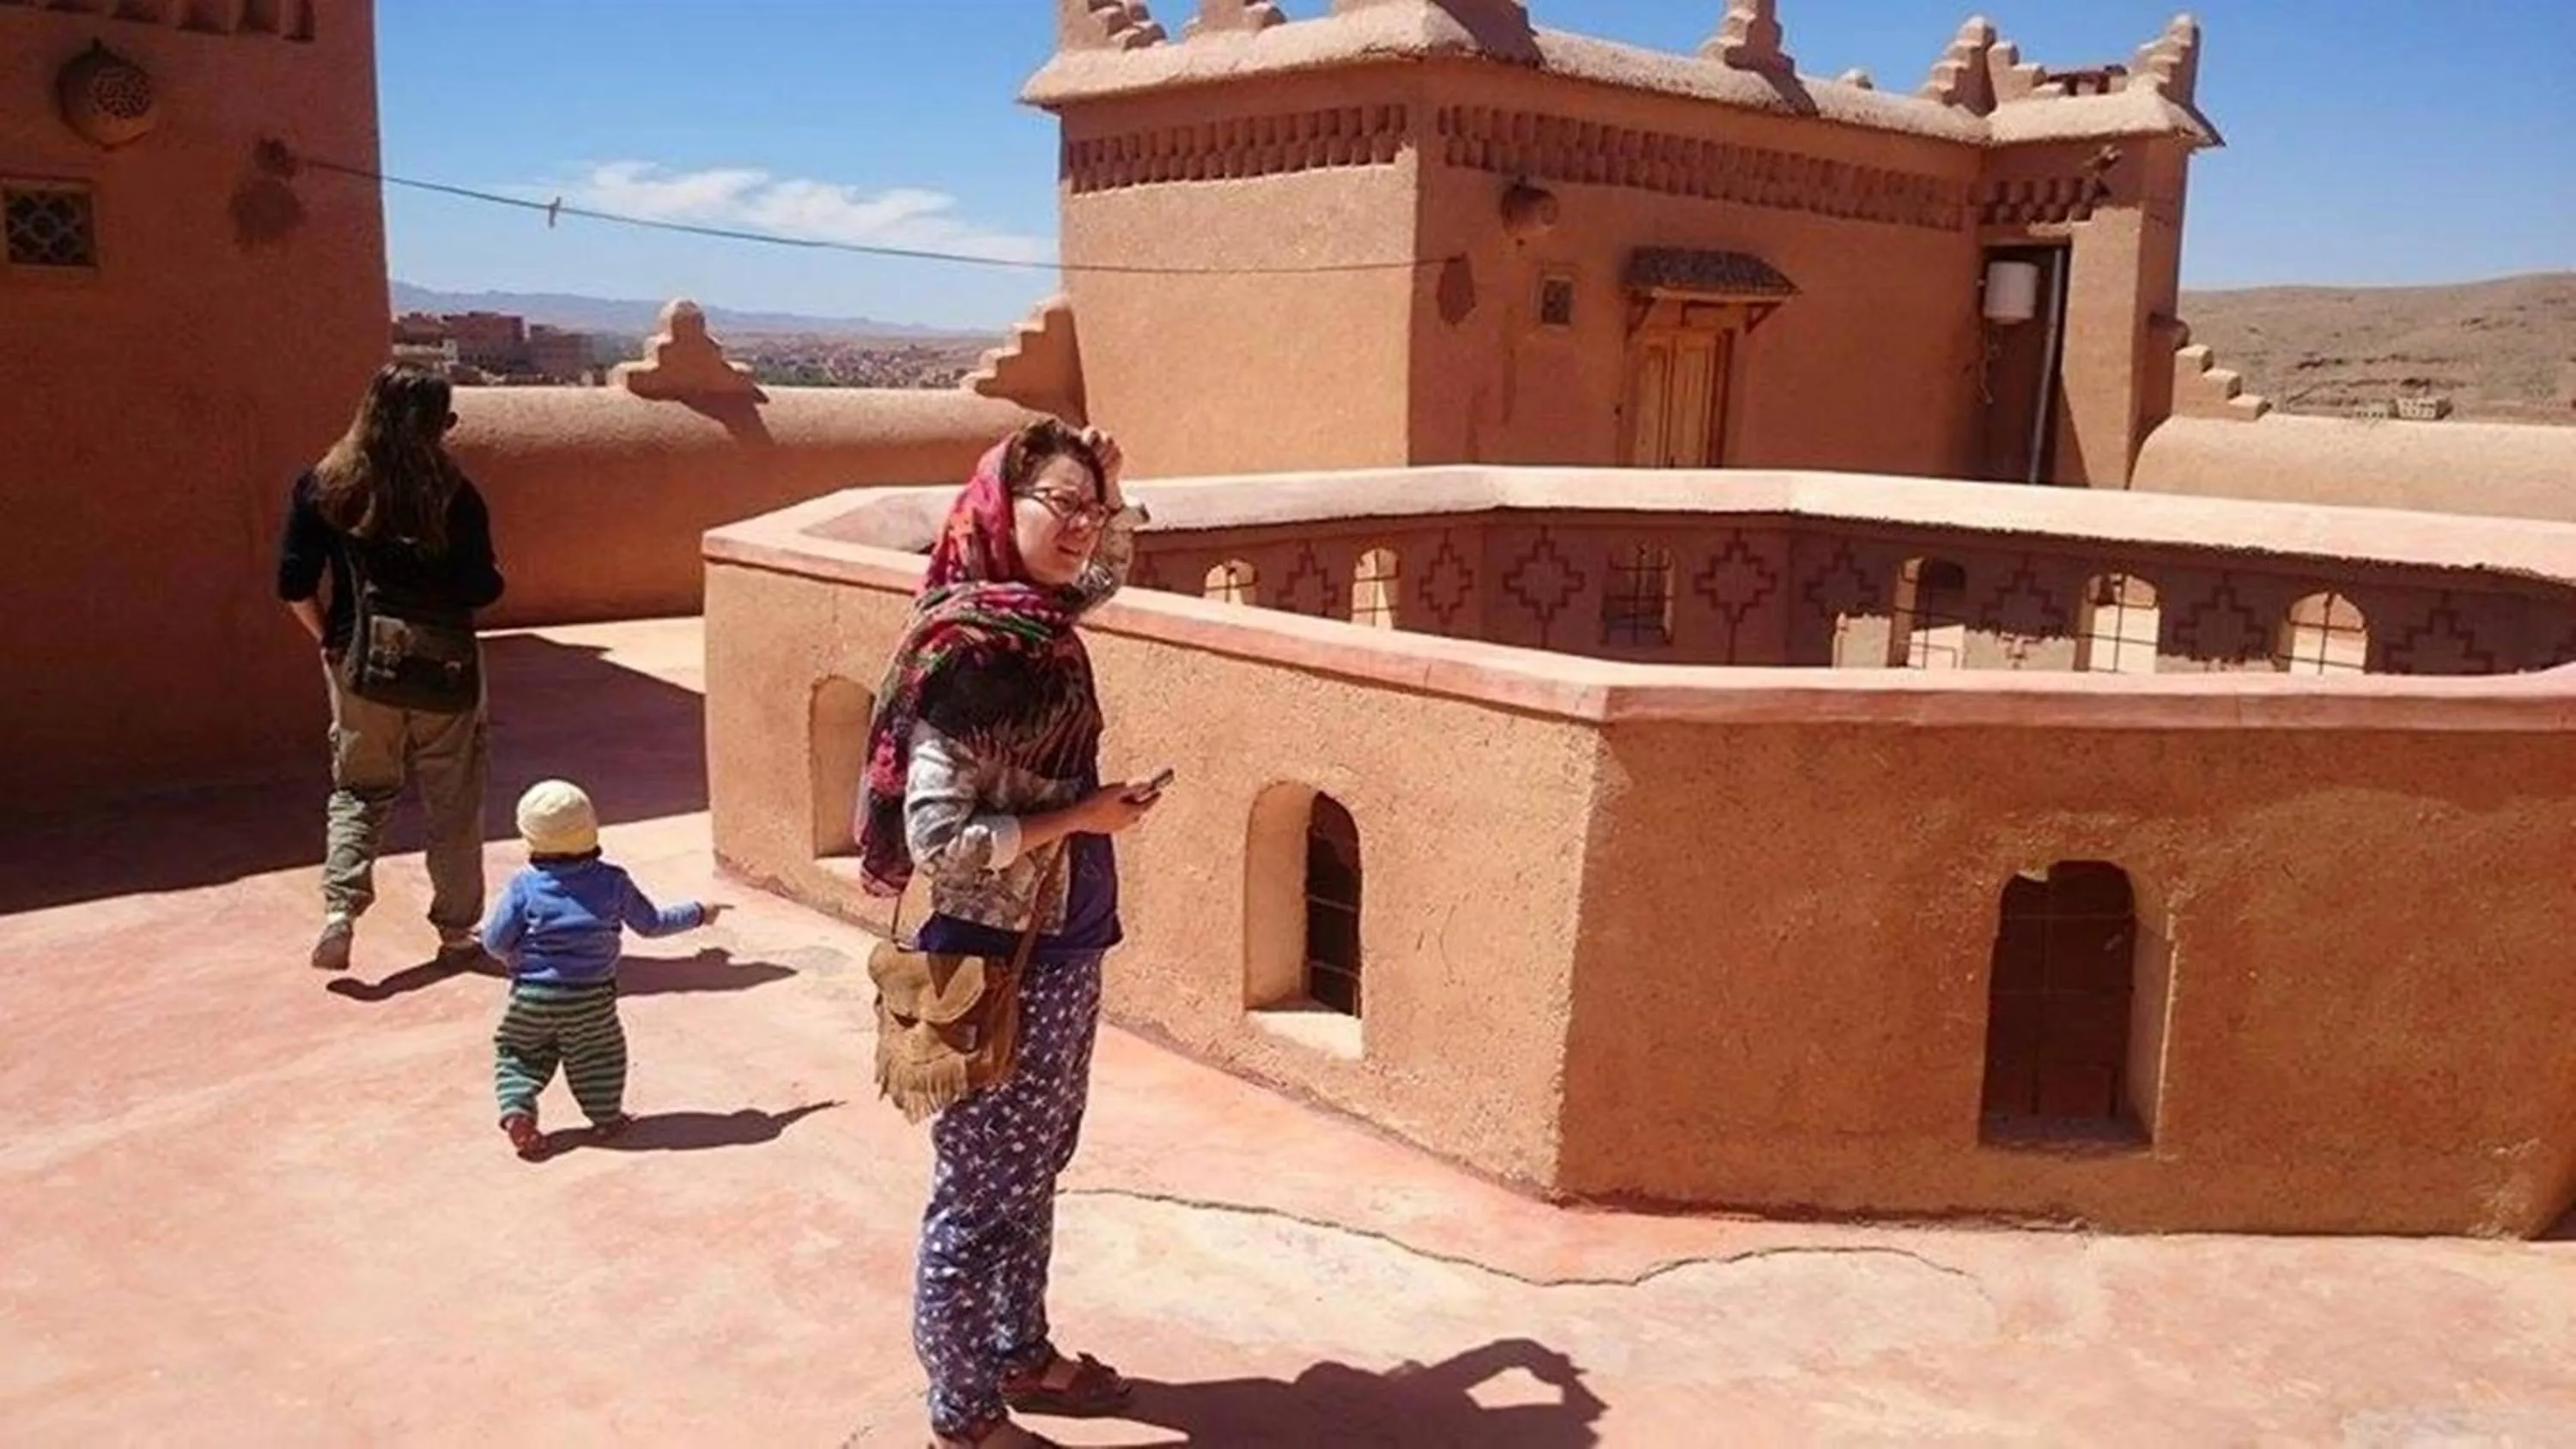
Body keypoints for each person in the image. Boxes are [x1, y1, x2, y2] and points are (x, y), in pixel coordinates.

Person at [855, 419, 1158, 1449]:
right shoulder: (972, 656)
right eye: (1062, 506)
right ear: (1000, 510)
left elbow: (1113, 563)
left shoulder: (1041, 621)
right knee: (980, 1191)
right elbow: (936, 834)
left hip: (1063, 941)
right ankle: (963, 1411)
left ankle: (1019, 1348)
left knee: (1038, 1164)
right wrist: (1079, 814)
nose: (1085, 530)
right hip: (994, 959)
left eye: (1093, 510)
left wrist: (1110, 478)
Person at [276, 363, 504, 973]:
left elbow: (293, 583)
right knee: (454, 801)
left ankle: (340, 913)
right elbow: (483, 586)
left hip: (359, 663)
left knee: (360, 789)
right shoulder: (456, 494)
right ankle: (457, 933)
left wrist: (331, 639)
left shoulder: (326, 484)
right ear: (436, 425)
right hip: (447, 670)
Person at [478, 779, 725, 1161]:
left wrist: (514, 957)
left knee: (519, 1052)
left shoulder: (524, 887)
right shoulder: (613, 882)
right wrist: (698, 913)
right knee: (599, 1056)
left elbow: (494, 942)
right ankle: (607, 1118)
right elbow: (652, 924)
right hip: (591, 996)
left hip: (530, 995)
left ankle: (517, 1111)